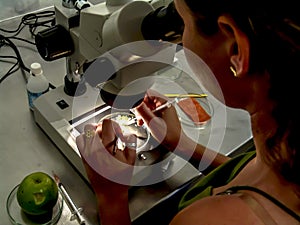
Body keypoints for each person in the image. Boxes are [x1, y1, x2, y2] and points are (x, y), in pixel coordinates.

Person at [76, 0, 300, 224]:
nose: (181, 41)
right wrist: (183, 145)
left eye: (183, 24)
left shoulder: (207, 220)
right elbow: (248, 175)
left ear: (236, 51)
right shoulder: (284, 146)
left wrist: (112, 200)